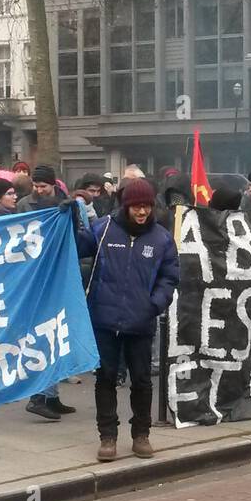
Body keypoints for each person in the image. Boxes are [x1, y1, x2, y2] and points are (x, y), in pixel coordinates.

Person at [76, 179, 179, 461]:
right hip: (104, 320)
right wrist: (67, 217)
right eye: (136, 206)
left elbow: (169, 277)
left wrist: (154, 304)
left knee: (142, 382)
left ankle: (141, 434)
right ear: (126, 206)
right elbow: (76, 245)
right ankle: (108, 437)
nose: (142, 212)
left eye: (146, 206)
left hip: (141, 322)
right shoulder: (105, 228)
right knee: (106, 379)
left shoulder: (162, 239)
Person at [14, 165, 73, 419]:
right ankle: (38, 396)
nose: (38, 190)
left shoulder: (65, 203)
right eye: (36, 186)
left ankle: (52, 395)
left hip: (57, 272)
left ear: (53, 184)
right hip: (36, 275)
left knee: (57, 334)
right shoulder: (25, 204)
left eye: (43, 186)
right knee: (43, 335)